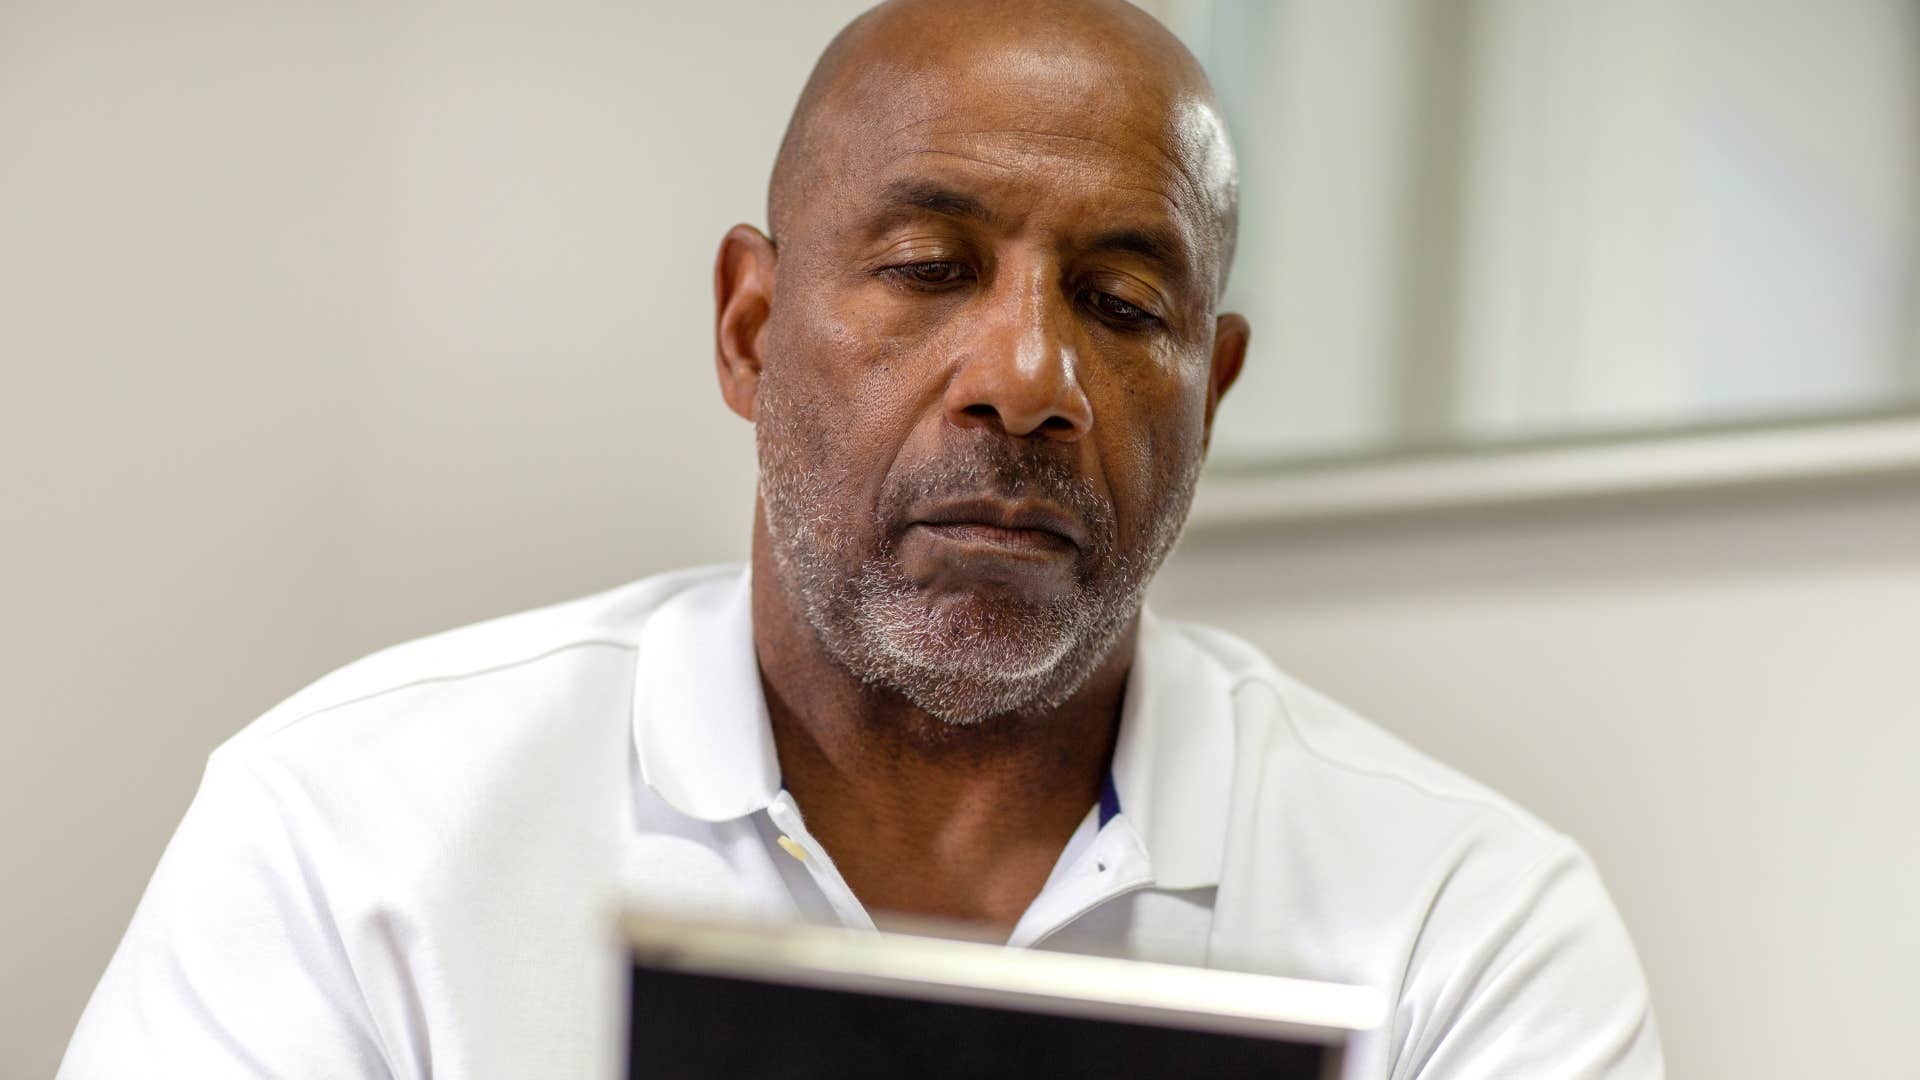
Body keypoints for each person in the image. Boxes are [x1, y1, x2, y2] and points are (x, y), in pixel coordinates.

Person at [60, 0, 1663, 1076]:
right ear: (750, 329)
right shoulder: (351, 834)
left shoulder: (1468, 928)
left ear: (1214, 393)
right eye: (926, 267)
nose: (1028, 380)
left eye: (1121, 304)